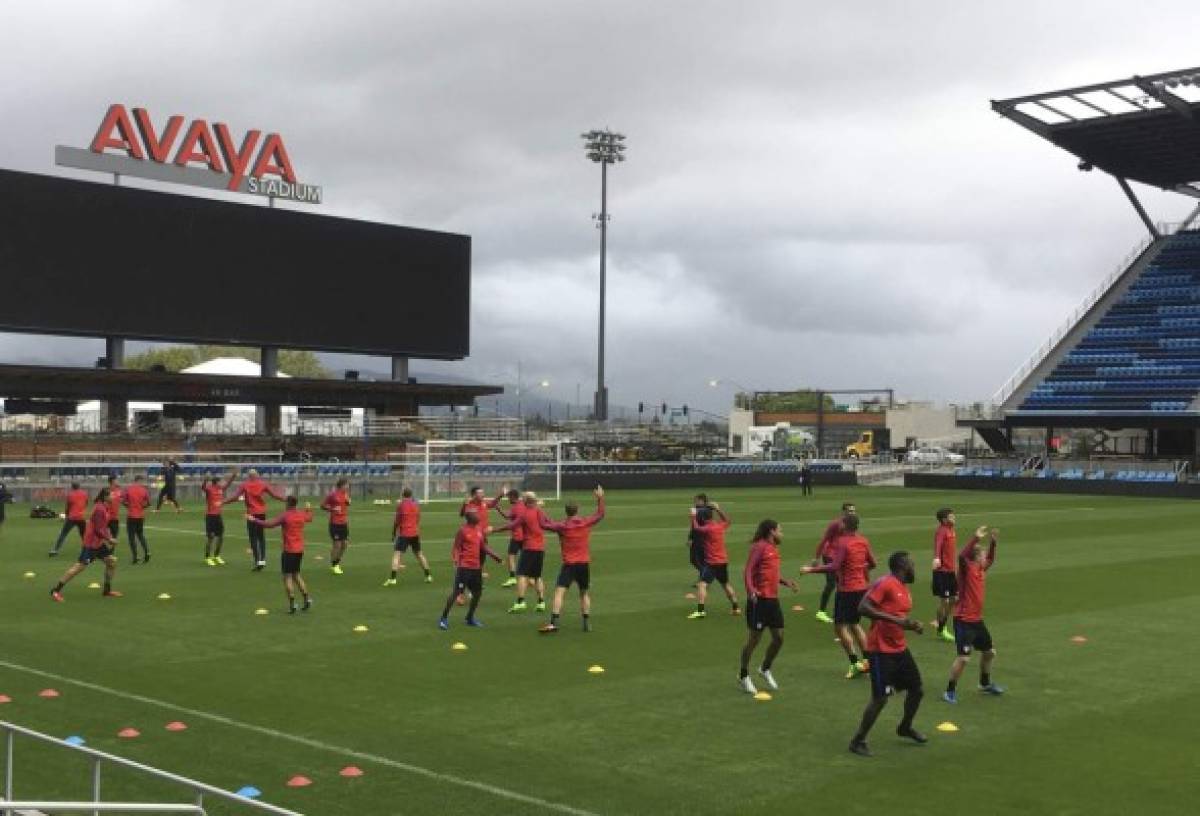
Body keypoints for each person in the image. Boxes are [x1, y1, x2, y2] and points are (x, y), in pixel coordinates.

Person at [848, 551, 927, 757]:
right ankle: (858, 740)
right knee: (880, 698)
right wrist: (896, 620)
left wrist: (910, 625)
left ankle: (905, 727)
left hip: (899, 648)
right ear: (902, 566)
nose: (913, 567)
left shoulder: (903, 587)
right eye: (911, 564)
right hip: (880, 651)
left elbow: (899, 616)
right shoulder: (885, 583)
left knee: (917, 689)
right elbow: (862, 607)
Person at [801, 513, 878, 679]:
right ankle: (868, 662)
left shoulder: (843, 543)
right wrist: (859, 569)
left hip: (847, 590)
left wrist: (811, 569)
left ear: (844, 525)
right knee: (855, 624)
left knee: (840, 626)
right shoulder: (863, 541)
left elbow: (835, 566)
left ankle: (854, 663)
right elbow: (873, 564)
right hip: (862, 589)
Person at [943, 527, 1006, 703]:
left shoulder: (980, 569)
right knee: (963, 658)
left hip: (977, 621)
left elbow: (991, 560)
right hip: (963, 621)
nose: (985, 557)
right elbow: (961, 556)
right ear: (976, 557)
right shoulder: (967, 569)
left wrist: (993, 543)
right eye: (983, 555)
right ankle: (949, 691)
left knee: (989, 652)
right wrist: (975, 538)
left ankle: (984, 684)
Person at [738, 519, 798, 694]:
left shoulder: (773, 548)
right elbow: (748, 570)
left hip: (773, 600)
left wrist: (785, 581)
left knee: (779, 638)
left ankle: (764, 668)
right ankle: (743, 675)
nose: (782, 533)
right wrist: (751, 591)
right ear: (772, 531)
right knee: (754, 639)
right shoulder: (760, 547)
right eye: (780, 530)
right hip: (759, 600)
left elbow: (769, 572)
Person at [539, 486, 606, 634]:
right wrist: (600, 498)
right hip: (583, 564)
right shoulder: (585, 522)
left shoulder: (562, 526)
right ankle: (586, 622)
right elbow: (600, 514)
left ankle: (554, 622)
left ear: (566, 511)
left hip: (569, 565)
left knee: (559, 592)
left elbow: (544, 524)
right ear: (577, 510)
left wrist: (538, 509)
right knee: (584, 593)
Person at [50, 487, 122, 601]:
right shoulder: (99, 509)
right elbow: (98, 529)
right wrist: (109, 539)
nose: (114, 497)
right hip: (90, 545)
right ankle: (55, 590)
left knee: (112, 562)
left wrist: (108, 537)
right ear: (105, 497)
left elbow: (102, 527)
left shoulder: (105, 507)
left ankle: (107, 591)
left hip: (98, 544)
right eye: (112, 495)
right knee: (78, 568)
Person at [248, 496, 314, 614]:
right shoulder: (301, 514)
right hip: (299, 550)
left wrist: (254, 520)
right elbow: (309, 517)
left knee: (287, 577)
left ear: (288, 503)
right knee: (297, 575)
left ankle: (292, 604)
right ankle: (307, 599)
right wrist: (308, 509)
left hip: (289, 550)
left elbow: (269, 524)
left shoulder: (285, 515)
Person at [438, 510, 502, 629]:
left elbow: (483, 546)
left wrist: (494, 555)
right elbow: (456, 547)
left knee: (477, 593)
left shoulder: (478, 530)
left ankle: (469, 618)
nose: (478, 515)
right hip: (464, 568)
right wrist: (456, 560)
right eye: (475, 514)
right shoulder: (462, 531)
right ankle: (443, 618)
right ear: (469, 518)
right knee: (456, 592)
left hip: (476, 568)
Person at [224, 469, 287, 570]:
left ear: (249, 476)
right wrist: (285, 499)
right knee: (261, 537)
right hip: (261, 513)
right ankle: (262, 559)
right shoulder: (263, 484)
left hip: (251, 514)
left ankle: (257, 560)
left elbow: (235, 497)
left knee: (253, 537)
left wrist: (223, 502)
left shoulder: (245, 485)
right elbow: (274, 495)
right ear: (257, 475)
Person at [498, 491, 549, 613]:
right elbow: (549, 522)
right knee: (537, 577)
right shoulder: (540, 511)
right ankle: (541, 602)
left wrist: (494, 529)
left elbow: (511, 525)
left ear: (526, 501)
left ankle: (521, 601)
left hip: (529, 548)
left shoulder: (525, 514)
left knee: (521, 575)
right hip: (540, 548)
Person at [687, 502, 741, 618]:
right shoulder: (719, 526)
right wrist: (718, 509)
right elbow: (728, 520)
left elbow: (696, 528)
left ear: (702, 517)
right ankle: (736, 608)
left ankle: (701, 611)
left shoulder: (706, 529)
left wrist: (692, 516)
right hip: (723, 561)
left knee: (702, 585)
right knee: (725, 584)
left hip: (712, 563)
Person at [812, 502, 856, 624]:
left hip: (841, 557)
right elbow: (824, 540)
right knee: (832, 583)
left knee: (842, 584)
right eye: (850, 511)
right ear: (844, 512)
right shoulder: (836, 524)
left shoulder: (852, 524)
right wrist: (816, 558)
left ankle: (841, 612)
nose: (852, 513)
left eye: (853, 511)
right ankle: (821, 612)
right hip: (830, 555)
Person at [387, 487, 432, 585]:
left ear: (403, 494)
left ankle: (393, 579)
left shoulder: (401, 505)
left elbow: (396, 521)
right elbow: (418, 519)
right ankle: (428, 576)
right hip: (415, 533)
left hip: (404, 533)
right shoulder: (416, 505)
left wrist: (393, 533)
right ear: (411, 495)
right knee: (419, 554)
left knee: (397, 554)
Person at [931, 507, 959, 642]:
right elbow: (938, 545)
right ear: (944, 520)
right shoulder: (941, 531)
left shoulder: (951, 530)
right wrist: (936, 557)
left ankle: (939, 622)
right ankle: (941, 629)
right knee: (945, 600)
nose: (954, 518)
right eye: (951, 517)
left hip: (951, 571)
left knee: (954, 600)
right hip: (942, 572)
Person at [202, 472, 236, 565]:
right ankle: (207, 557)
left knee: (220, 537)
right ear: (215, 482)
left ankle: (216, 556)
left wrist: (233, 476)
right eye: (220, 481)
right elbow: (203, 488)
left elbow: (228, 484)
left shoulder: (220, 489)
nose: (221, 483)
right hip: (210, 516)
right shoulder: (209, 489)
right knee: (211, 537)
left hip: (218, 516)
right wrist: (205, 480)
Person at [320, 477, 352, 575]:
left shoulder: (345, 494)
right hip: (335, 523)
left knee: (345, 544)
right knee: (337, 545)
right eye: (347, 485)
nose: (348, 486)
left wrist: (348, 501)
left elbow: (347, 503)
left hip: (344, 523)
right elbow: (322, 505)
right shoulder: (332, 494)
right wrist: (332, 509)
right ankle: (334, 565)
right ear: (342, 485)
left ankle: (337, 562)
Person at [49, 482, 89, 556]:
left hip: (72, 517)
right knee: (84, 535)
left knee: (63, 533)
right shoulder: (84, 494)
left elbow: (68, 507)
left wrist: (67, 515)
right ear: (79, 486)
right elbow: (86, 503)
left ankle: (55, 550)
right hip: (81, 517)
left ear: (72, 487)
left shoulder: (70, 495)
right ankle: (86, 550)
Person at [496, 488, 526, 588]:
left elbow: (507, 516)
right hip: (526, 536)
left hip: (517, 536)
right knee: (525, 556)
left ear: (513, 497)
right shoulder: (523, 504)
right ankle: (529, 577)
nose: (508, 499)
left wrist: (498, 509)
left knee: (511, 556)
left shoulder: (515, 507)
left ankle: (512, 577)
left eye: (509, 497)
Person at [121, 474, 151, 564]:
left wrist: (128, 506)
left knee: (131, 537)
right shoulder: (144, 490)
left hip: (131, 516)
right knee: (141, 535)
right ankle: (147, 552)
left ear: (134, 480)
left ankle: (135, 556)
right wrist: (142, 507)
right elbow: (149, 503)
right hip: (140, 516)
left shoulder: (128, 489)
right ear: (139, 480)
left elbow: (123, 500)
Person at [686, 493, 710, 581]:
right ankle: (704, 577)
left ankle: (704, 578)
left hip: (703, 538)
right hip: (696, 538)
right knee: (693, 560)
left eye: (697, 500)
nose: (695, 502)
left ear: (703, 501)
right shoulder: (697, 509)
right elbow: (693, 526)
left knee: (699, 560)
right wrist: (690, 538)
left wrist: (695, 513)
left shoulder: (707, 510)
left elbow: (704, 515)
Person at [105, 475, 122, 543]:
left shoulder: (119, 490)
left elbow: (121, 499)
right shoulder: (106, 490)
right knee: (102, 535)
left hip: (115, 517)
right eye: (116, 480)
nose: (117, 481)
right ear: (112, 481)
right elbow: (98, 501)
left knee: (114, 536)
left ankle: (110, 553)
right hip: (106, 516)